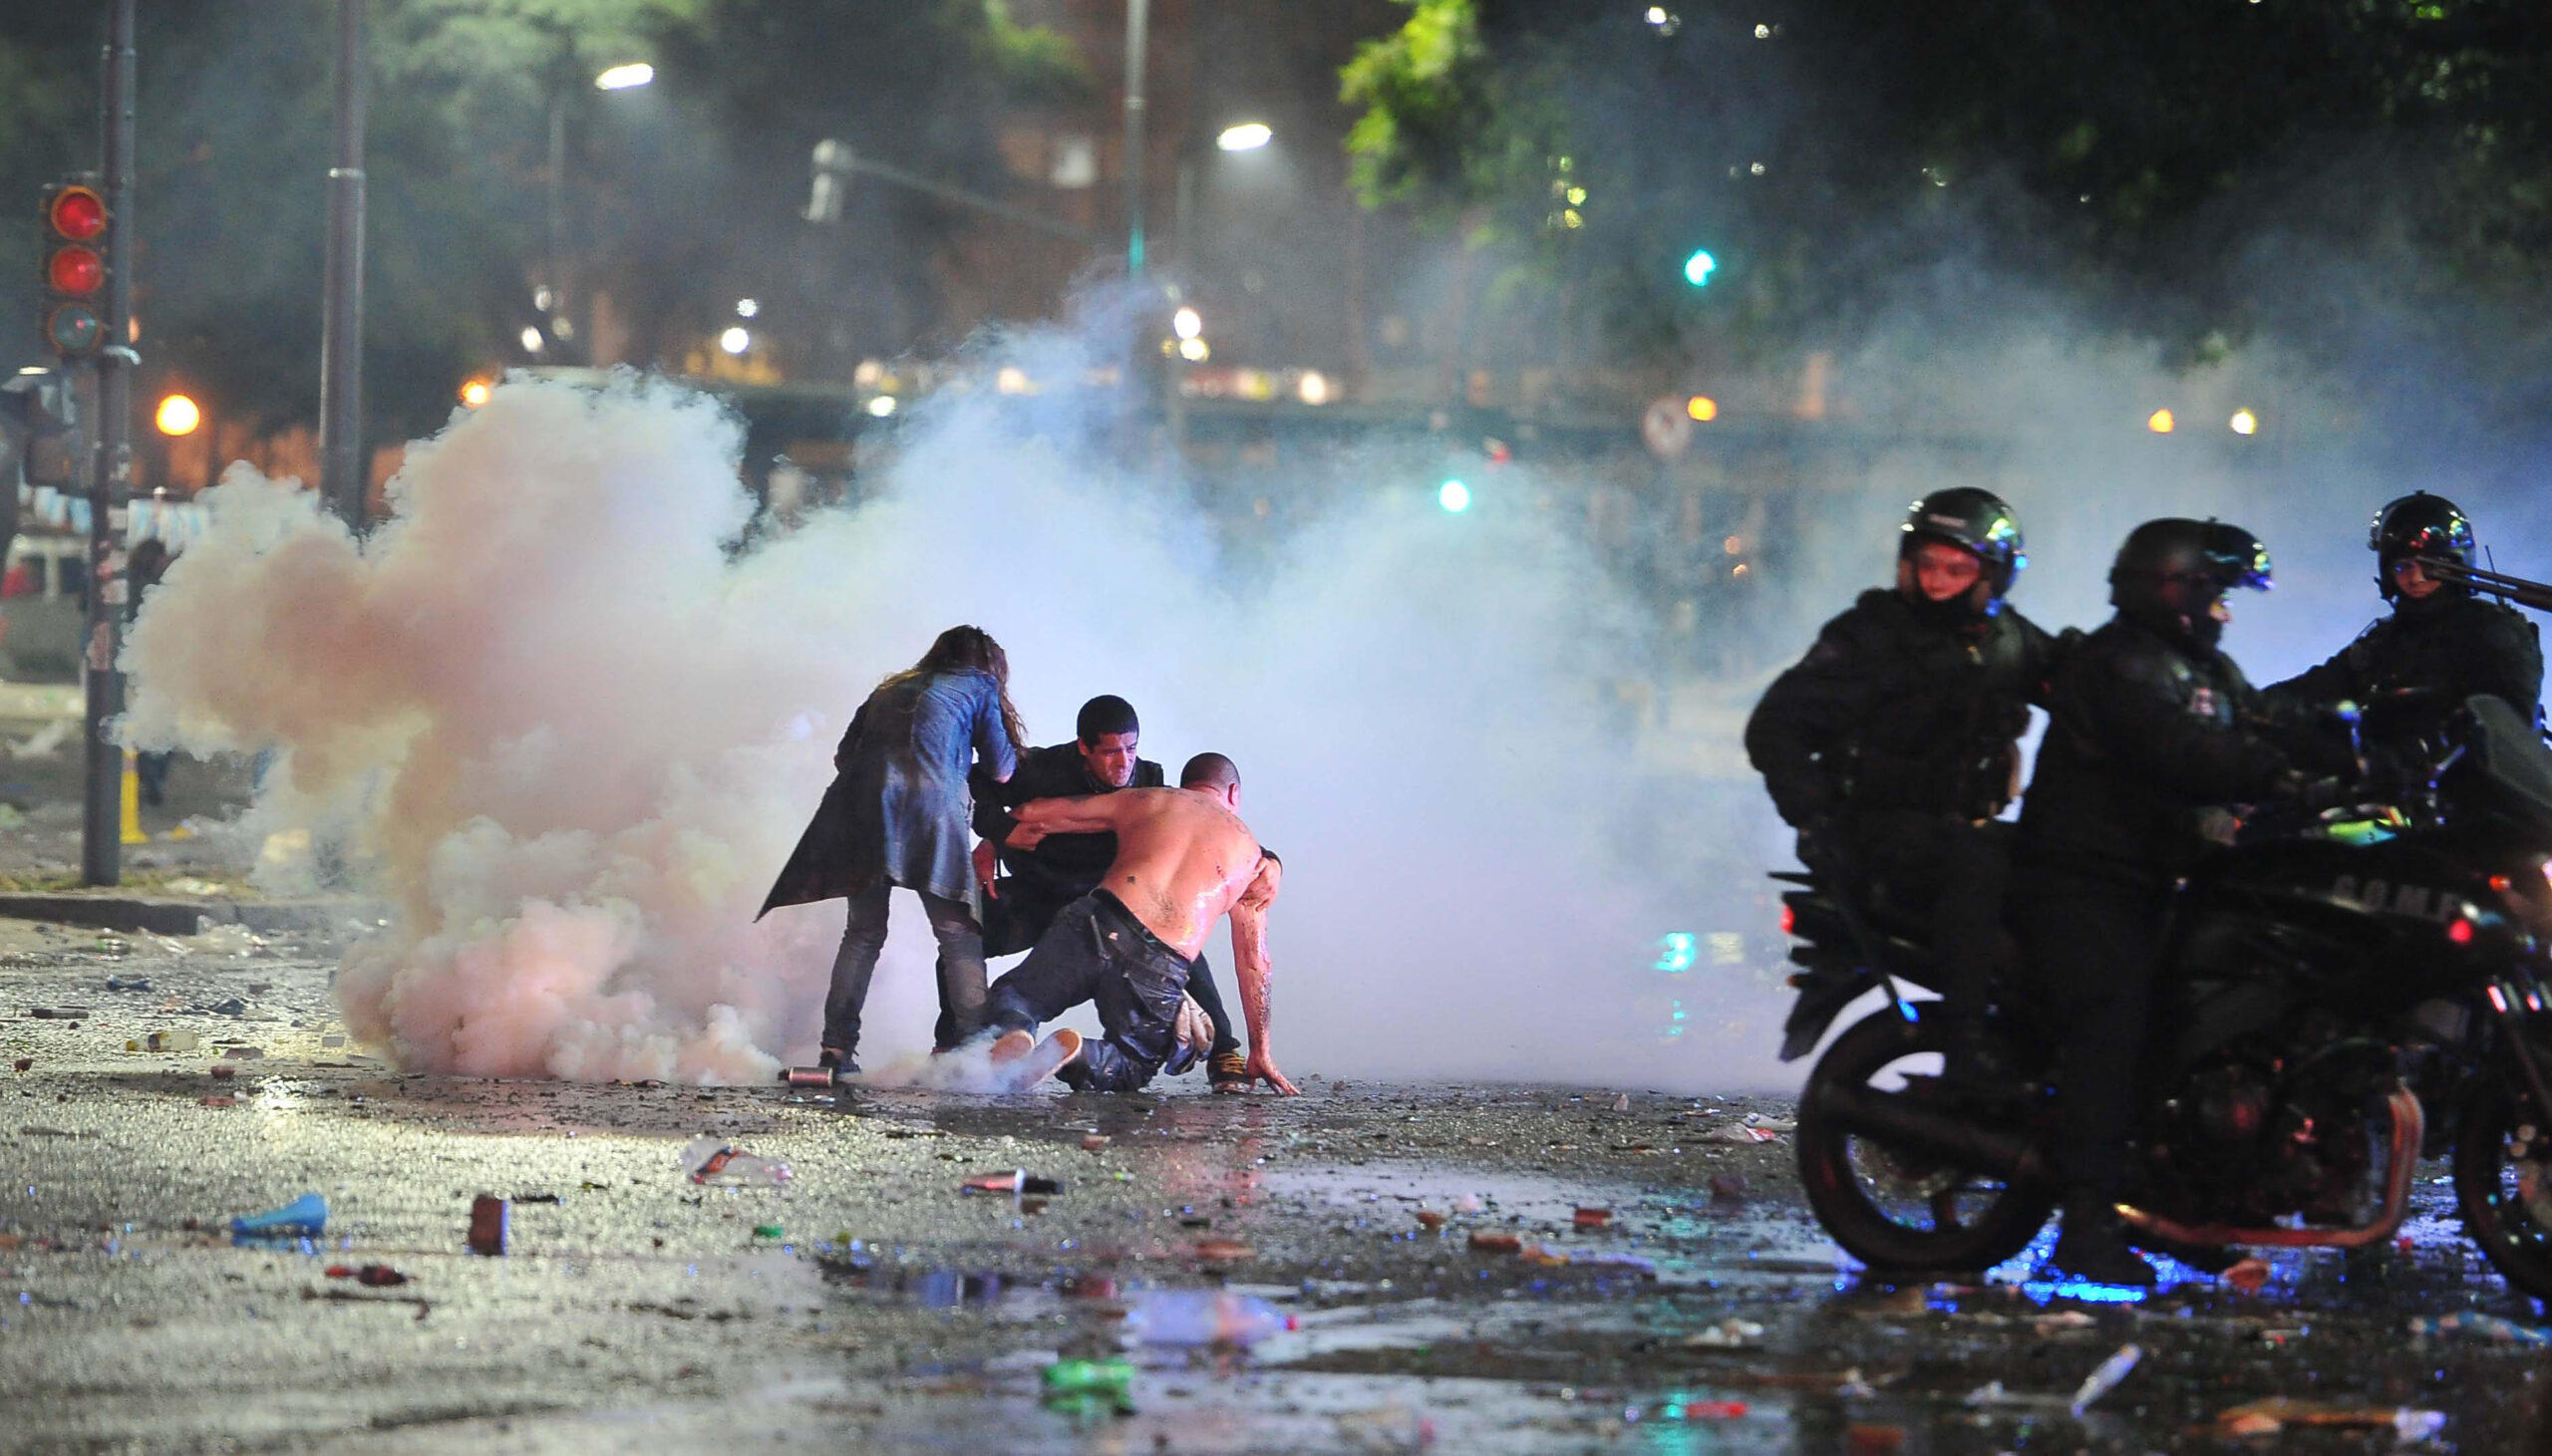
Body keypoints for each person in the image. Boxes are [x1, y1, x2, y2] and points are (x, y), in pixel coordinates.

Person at [2017, 518, 2318, 1287]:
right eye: (2216, 593)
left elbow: (2266, 722)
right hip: (2087, 882)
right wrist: (2272, 775)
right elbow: (2183, 750)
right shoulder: (2118, 666)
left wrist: (2354, 744)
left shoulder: (2198, 668)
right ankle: (2084, 1223)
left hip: (2160, 877)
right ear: (2176, 588)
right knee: (2114, 1027)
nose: (2224, 610)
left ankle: (2187, 1201)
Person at [1744, 487, 2061, 1076]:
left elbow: (2088, 687)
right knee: (1981, 862)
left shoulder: (2008, 642)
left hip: (1964, 827)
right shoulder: (1870, 637)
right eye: (1929, 565)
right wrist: (1813, 815)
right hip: (1877, 833)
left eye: (1957, 569)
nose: (1939, 582)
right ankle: (1966, 1048)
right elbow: (1775, 726)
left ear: (1993, 574)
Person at [759, 626, 1021, 1072]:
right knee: (959, 936)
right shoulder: (979, 686)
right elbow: (1001, 769)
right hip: (933, 811)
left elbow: (845, 756)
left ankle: (836, 1052)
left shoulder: (890, 687)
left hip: (862, 810)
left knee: (862, 933)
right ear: (989, 665)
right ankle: (976, 1055)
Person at [971, 694, 1250, 1089]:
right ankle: (966, 1047)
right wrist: (995, 836)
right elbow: (981, 786)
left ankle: (1225, 1049)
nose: (1123, 763)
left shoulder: (1149, 781)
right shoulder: (1042, 769)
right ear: (1083, 747)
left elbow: (1193, 831)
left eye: (1131, 749)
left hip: (1106, 904)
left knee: (1182, 940)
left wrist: (1264, 859)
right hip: (1040, 894)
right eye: (1110, 752)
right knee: (964, 936)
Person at [2262, 492, 2543, 753]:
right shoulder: (2384, 642)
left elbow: (2511, 733)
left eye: (2430, 566)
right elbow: (2316, 687)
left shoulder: (2494, 633)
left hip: (2474, 796)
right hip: (2391, 795)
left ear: (2455, 564)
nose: (2416, 577)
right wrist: (2247, 706)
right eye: (2403, 567)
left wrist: (2432, 748)